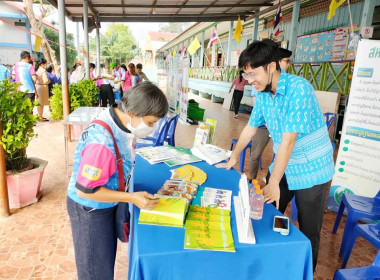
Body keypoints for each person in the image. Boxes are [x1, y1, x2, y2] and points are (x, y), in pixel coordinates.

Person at [217, 39, 334, 271]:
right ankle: (269, 265)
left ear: (271, 67)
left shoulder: (298, 89)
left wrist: (273, 182)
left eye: (252, 74)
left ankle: (305, 272)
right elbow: (251, 127)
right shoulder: (262, 93)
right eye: (245, 75)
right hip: (285, 164)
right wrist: (233, 156)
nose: (249, 81)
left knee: (308, 229)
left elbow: (289, 140)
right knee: (268, 213)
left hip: (312, 168)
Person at [67, 82, 169, 280]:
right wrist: (131, 197)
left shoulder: (119, 120)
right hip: (90, 209)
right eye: (150, 123)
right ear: (132, 112)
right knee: (95, 271)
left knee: (104, 263)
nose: (152, 128)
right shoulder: (101, 142)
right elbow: (85, 190)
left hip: (105, 203)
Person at [248, 47, 293, 181]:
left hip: (280, 132)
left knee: (281, 151)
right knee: (255, 154)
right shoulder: (260, 82)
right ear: (274, 64)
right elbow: (257, 108)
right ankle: (252, 179)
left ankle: (274, 178)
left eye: (289, 61)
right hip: (263, 126)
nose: (288, 65)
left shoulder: (292, 85)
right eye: (286, 61)